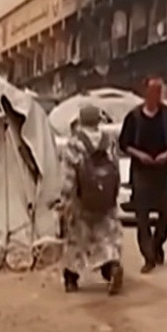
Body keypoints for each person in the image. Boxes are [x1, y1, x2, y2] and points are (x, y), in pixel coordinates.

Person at [61, 104, 127, 293]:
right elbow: (115, 170)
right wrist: (112, 194)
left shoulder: (75, 143)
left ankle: (71, 278)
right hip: (105, 202)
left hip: (82, 202)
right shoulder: (109, 142)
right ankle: (111, 268)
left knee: (77, 240)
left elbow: (69, 175)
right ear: (98, 120)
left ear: (81, 120)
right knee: (107, 238)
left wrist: (64, 199)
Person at [118, 77, 167, 273]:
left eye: (159, 91)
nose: (156, 95)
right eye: (153, 90)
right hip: (141, 171)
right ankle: (148, 257)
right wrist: (140, 155)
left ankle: (157, 243)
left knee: (165, 213)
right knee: (142, 216)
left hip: (163, 170)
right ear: (145, 92)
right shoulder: (134, 117)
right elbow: (124, 144)